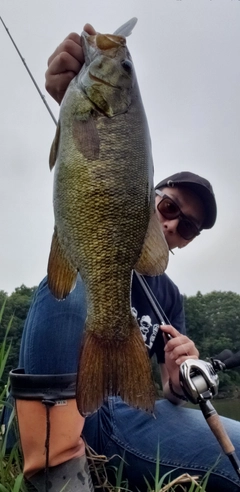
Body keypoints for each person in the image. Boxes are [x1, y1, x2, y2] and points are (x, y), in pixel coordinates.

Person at [8, 25, 240, 492]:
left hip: (123, 418)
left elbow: (166, 387)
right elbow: (93, 155)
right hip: (57, 401)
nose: (174, 224)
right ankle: (52, 462)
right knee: (72, 284)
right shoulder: (108, 195)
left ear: (188, 241)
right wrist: (69, 97)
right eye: (170, 207)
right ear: (149, 197)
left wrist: (177, 380)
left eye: (188, 226)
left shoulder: (169, 299)